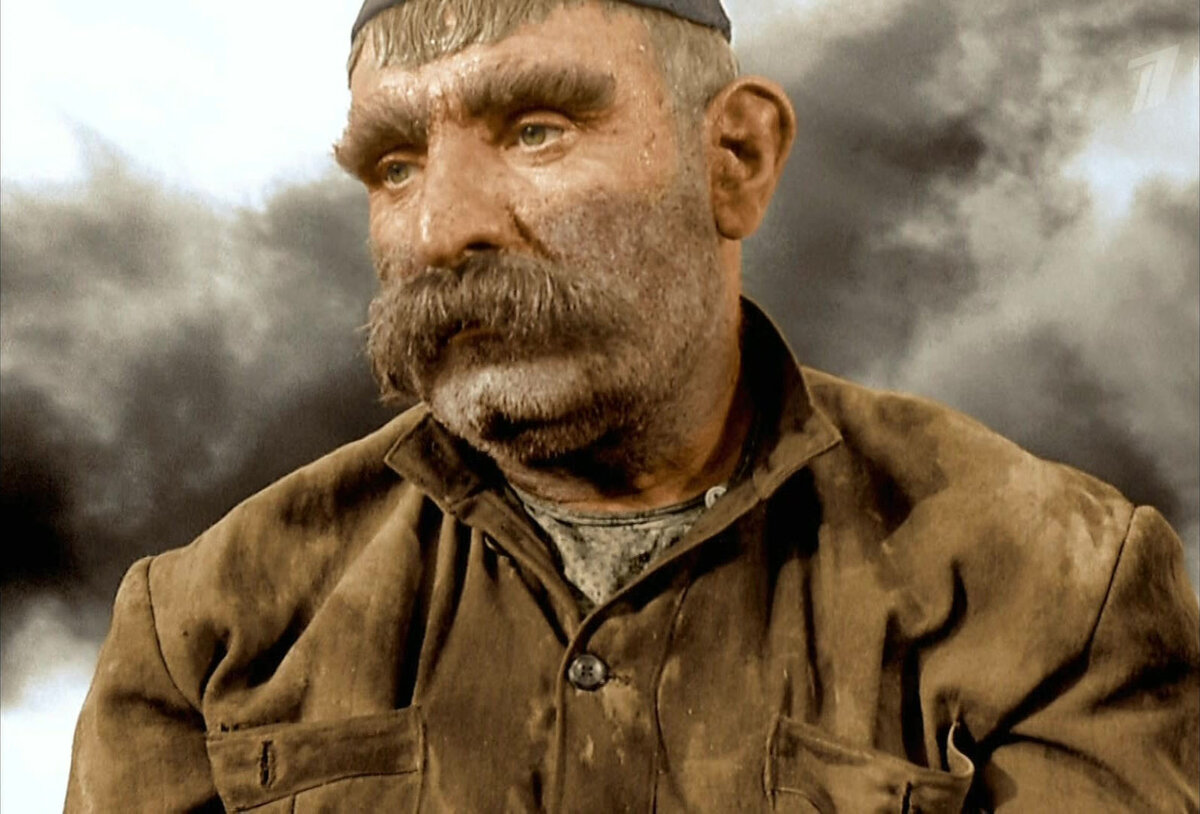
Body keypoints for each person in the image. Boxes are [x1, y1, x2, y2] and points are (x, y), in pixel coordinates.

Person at [66, 0, 1198, 810]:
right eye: (396, 164)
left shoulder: (1057, 589)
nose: (441, 227)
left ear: (736, 159)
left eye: (536, 129)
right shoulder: (202, 626)